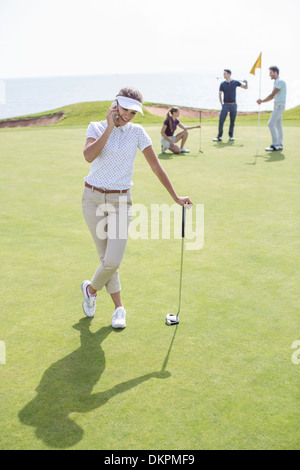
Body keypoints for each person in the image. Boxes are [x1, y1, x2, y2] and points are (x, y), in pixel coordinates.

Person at [81, 88, 193, 329]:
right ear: (115, 105)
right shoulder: (96, 127)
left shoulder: (138, 133)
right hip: (92, 199)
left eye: (134, 112)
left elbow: (156, 167)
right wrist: (110, 127)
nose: (129, 116)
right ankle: (119, 309)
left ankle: (90, 289)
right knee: (106, 259)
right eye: (126, 110)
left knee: (112, 260)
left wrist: (175, 197)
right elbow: (89, 156)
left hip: (121, 202)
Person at [213, 69, 248, 142]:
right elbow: (220, 94)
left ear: (229, 74)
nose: (223, 75)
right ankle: (219, 136)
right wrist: (221, 103)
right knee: (221, 120)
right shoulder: (222, 84)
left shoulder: (235, 82)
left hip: (233, 105)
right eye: (223, 73)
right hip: (225, 105)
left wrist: (246, 83)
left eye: (225, 73)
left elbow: (245, 87)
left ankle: (231, 136)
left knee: (232, 121)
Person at [257, 66, 286, 151]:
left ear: (275, 73)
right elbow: (273, 96)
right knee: (278, 124)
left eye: (271, 73)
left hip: (279, 105)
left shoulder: (279, 82)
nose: (270, 75)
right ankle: (279, 144)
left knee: (270, 123)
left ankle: (275, 144)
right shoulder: (277, 82)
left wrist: (262, 101)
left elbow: (272, 95)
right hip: (278, 105)